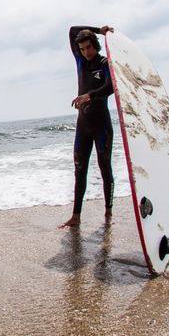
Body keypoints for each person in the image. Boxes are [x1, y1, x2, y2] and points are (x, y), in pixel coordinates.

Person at [59, 25, 115, 229]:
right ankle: (76, 215)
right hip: (83, 126)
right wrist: (99, 29)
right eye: (82, 48)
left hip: (102, 125)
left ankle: (108, 212)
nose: (85, 52)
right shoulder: (81, 61)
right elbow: (73, 30)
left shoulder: (104, 63)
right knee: (79, 170)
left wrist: (89, 95)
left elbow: (110, 87)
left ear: (96, 46)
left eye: (89, 47)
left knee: (104, 167)